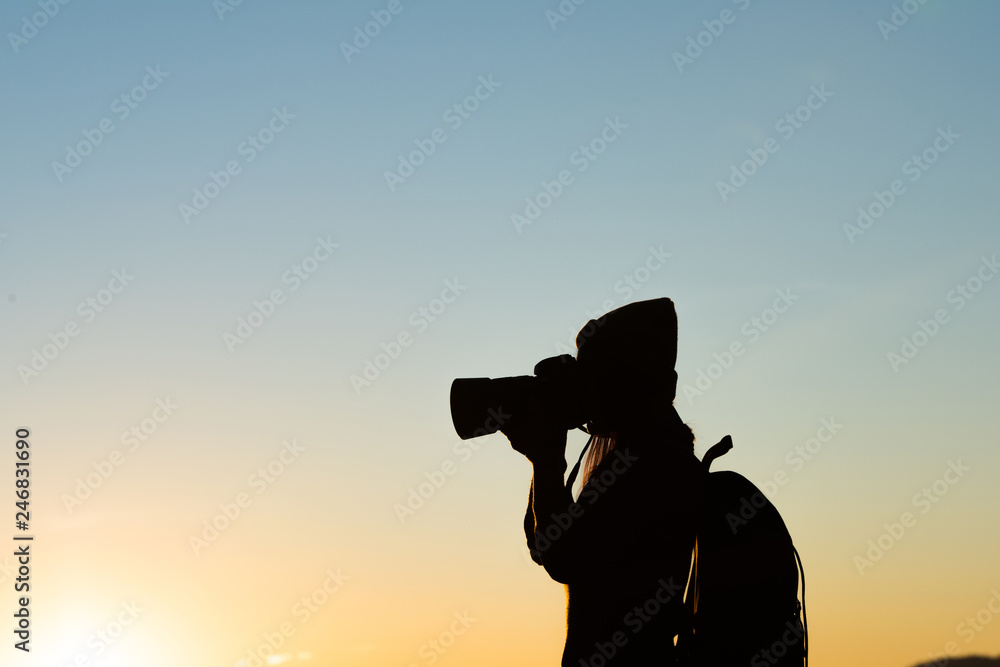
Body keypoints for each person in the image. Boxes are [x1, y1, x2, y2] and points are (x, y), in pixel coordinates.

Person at [502, 297, 705, 666]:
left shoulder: (652, 461)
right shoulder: (645, 451)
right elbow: (542, 544)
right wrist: (542, 458)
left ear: (623, 379)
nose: (586, 390)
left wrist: (546, 460)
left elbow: (562, 556)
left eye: (595, 374)